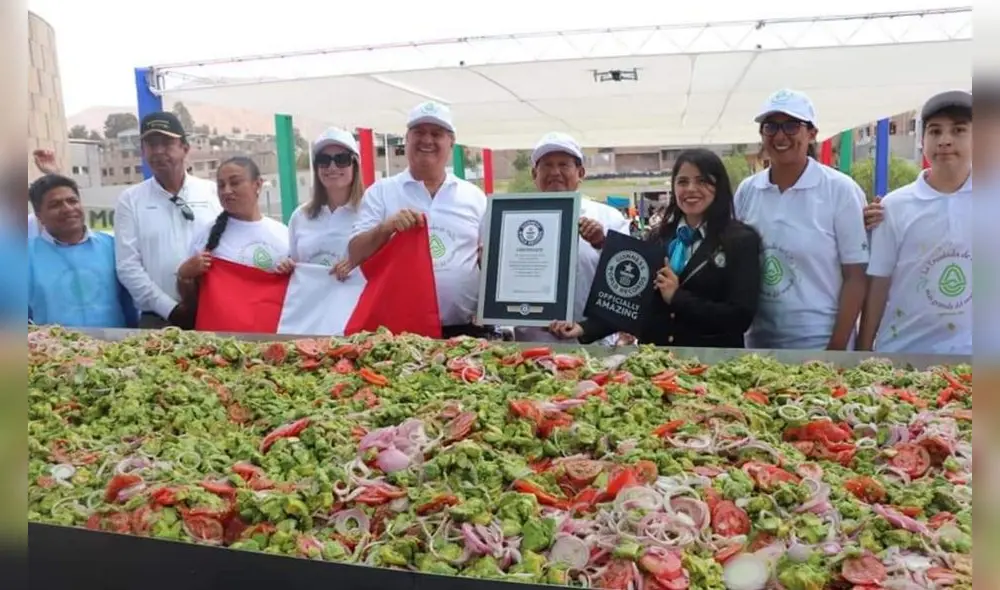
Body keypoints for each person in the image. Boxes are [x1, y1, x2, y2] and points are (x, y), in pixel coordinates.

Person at [550, 149, 761, 347]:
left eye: (702, 181)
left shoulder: (741, 241)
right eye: (682, 181)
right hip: (654, 364)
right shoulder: (658, 237)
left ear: (719, 186)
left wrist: (677, 297)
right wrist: (582, 328)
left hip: (710, 365)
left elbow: (739, 318)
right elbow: (631, 302)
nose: (690, 189)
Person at [735, 89, 869, 350]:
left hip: (819, 344)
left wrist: (837, 350)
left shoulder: (840, 190)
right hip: (758, 344)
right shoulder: (747, 191)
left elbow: (856, 277)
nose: (780, 135)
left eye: (792, 126)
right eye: (771, 127)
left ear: (812, 133)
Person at [347, 101, 489, 338]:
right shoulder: (381, 192)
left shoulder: (474, 196)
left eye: (437, 134)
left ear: (451, 143)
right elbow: (354, 254)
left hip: (464, 330)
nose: (427, 140)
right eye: (419, 133)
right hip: (399, 331)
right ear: (407, 139)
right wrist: (386, 228)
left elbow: (487, 259)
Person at [858, 90, 972, 354]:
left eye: (958, 130)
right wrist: (864, 351)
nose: (944, 141)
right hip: (903, 354)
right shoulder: (895, 207)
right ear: (923, 140)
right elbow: (878, 284)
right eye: (934, 132)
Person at [513, 132, 630, 344]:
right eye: (546, 165)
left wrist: (601, 243)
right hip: (532, 341)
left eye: (564, 165)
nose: (555, 172)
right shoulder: (514, 219)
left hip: (594, 343)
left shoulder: (608, 217)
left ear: (580, 172)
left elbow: (627, 275)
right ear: (534, 173)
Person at [115, 112, 221, 329]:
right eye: (151, 145)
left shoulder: (212, 193)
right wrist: (169, 309)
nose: (159, 151)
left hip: (212, 312)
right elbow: (128, 267)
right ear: (143, 151)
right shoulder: (130, 200)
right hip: (158, 319)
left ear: (185, 148)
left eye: (167, 143)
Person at [27, 174, 136, 327]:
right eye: (55, 205)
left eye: (72, 201)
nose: (67, 209)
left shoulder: (112, 246)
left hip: (114, 346)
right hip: (52, 348)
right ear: (39, 216)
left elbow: (130, 303)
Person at [176, 157, 289, 295]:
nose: (227, 191)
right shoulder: (206, 236)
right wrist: (184, 276)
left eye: (235, 183)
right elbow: (193, 301)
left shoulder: (283, 234)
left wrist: (289, 270)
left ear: (258, 184)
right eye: (221, 185)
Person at [277, 128, 364, 279]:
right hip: (309, 301)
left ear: (355, 165)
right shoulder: (300, 216)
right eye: (323, 160)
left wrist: (355, 264)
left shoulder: (370, 212)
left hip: (356, 302)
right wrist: (287, 266)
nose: (332, 167)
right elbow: (294, 264)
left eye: (341, 159)